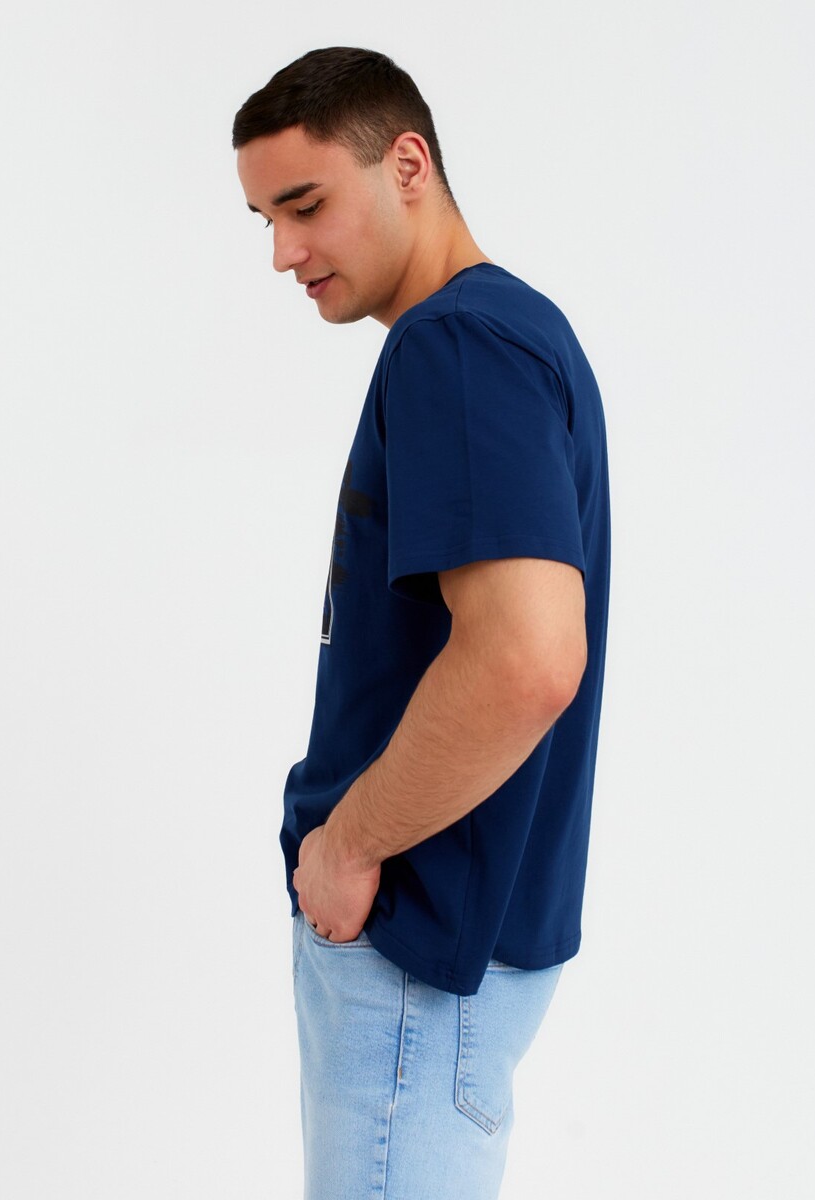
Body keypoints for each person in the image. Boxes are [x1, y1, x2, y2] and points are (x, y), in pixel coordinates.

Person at [232, 47, 611, 1200]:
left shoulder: (458, 345)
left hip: (411, 950)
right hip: (435, 949)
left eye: (305, 206)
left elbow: (529, 657)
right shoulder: (506, 333)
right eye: (265, 219)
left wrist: (346, 850)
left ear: (408, 165)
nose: (284, 252)